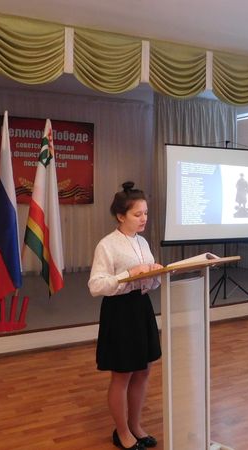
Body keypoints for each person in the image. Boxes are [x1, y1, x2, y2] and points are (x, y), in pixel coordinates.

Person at [89, 181, 162, 450]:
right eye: (137, 214)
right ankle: (121, 432)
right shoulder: (107, 245)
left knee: (143, 371)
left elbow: (148, 282)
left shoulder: (142, 242)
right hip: (119, 312)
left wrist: (156, 274)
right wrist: (128, 274)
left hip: (142, 308)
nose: (144, 218)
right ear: (121, 216)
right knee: (122, 375)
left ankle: (135, 425)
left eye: (146, 213)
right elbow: (96, 286)